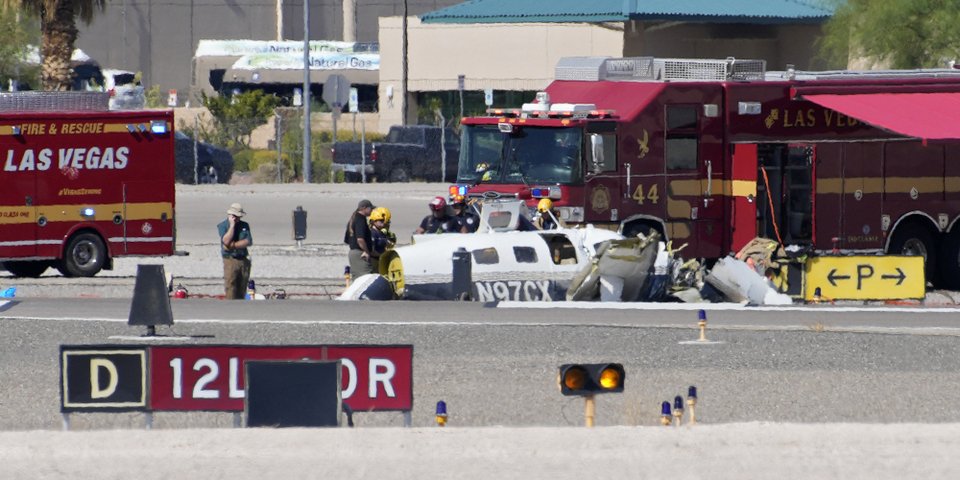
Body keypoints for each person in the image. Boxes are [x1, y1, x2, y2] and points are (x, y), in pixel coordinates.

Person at [218, 202, 253, 299]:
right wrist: (232, 226)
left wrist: (232, 245)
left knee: (242, 285)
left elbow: (248, 241)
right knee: (230, 285)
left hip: (243, 258)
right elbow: (225, 240)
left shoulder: (244, 225)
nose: (237, 218)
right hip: (230, 259)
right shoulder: (223, 225)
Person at [344, 199, 375, 276]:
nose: (372, 210)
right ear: (364, 208)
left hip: (352, 253)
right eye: (371, 208)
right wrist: (367, 251)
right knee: (366, 278)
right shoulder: (360, 219)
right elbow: (360, 239)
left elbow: (347, 240)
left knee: (357, 279)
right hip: (360, 254)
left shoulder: (353, 218)